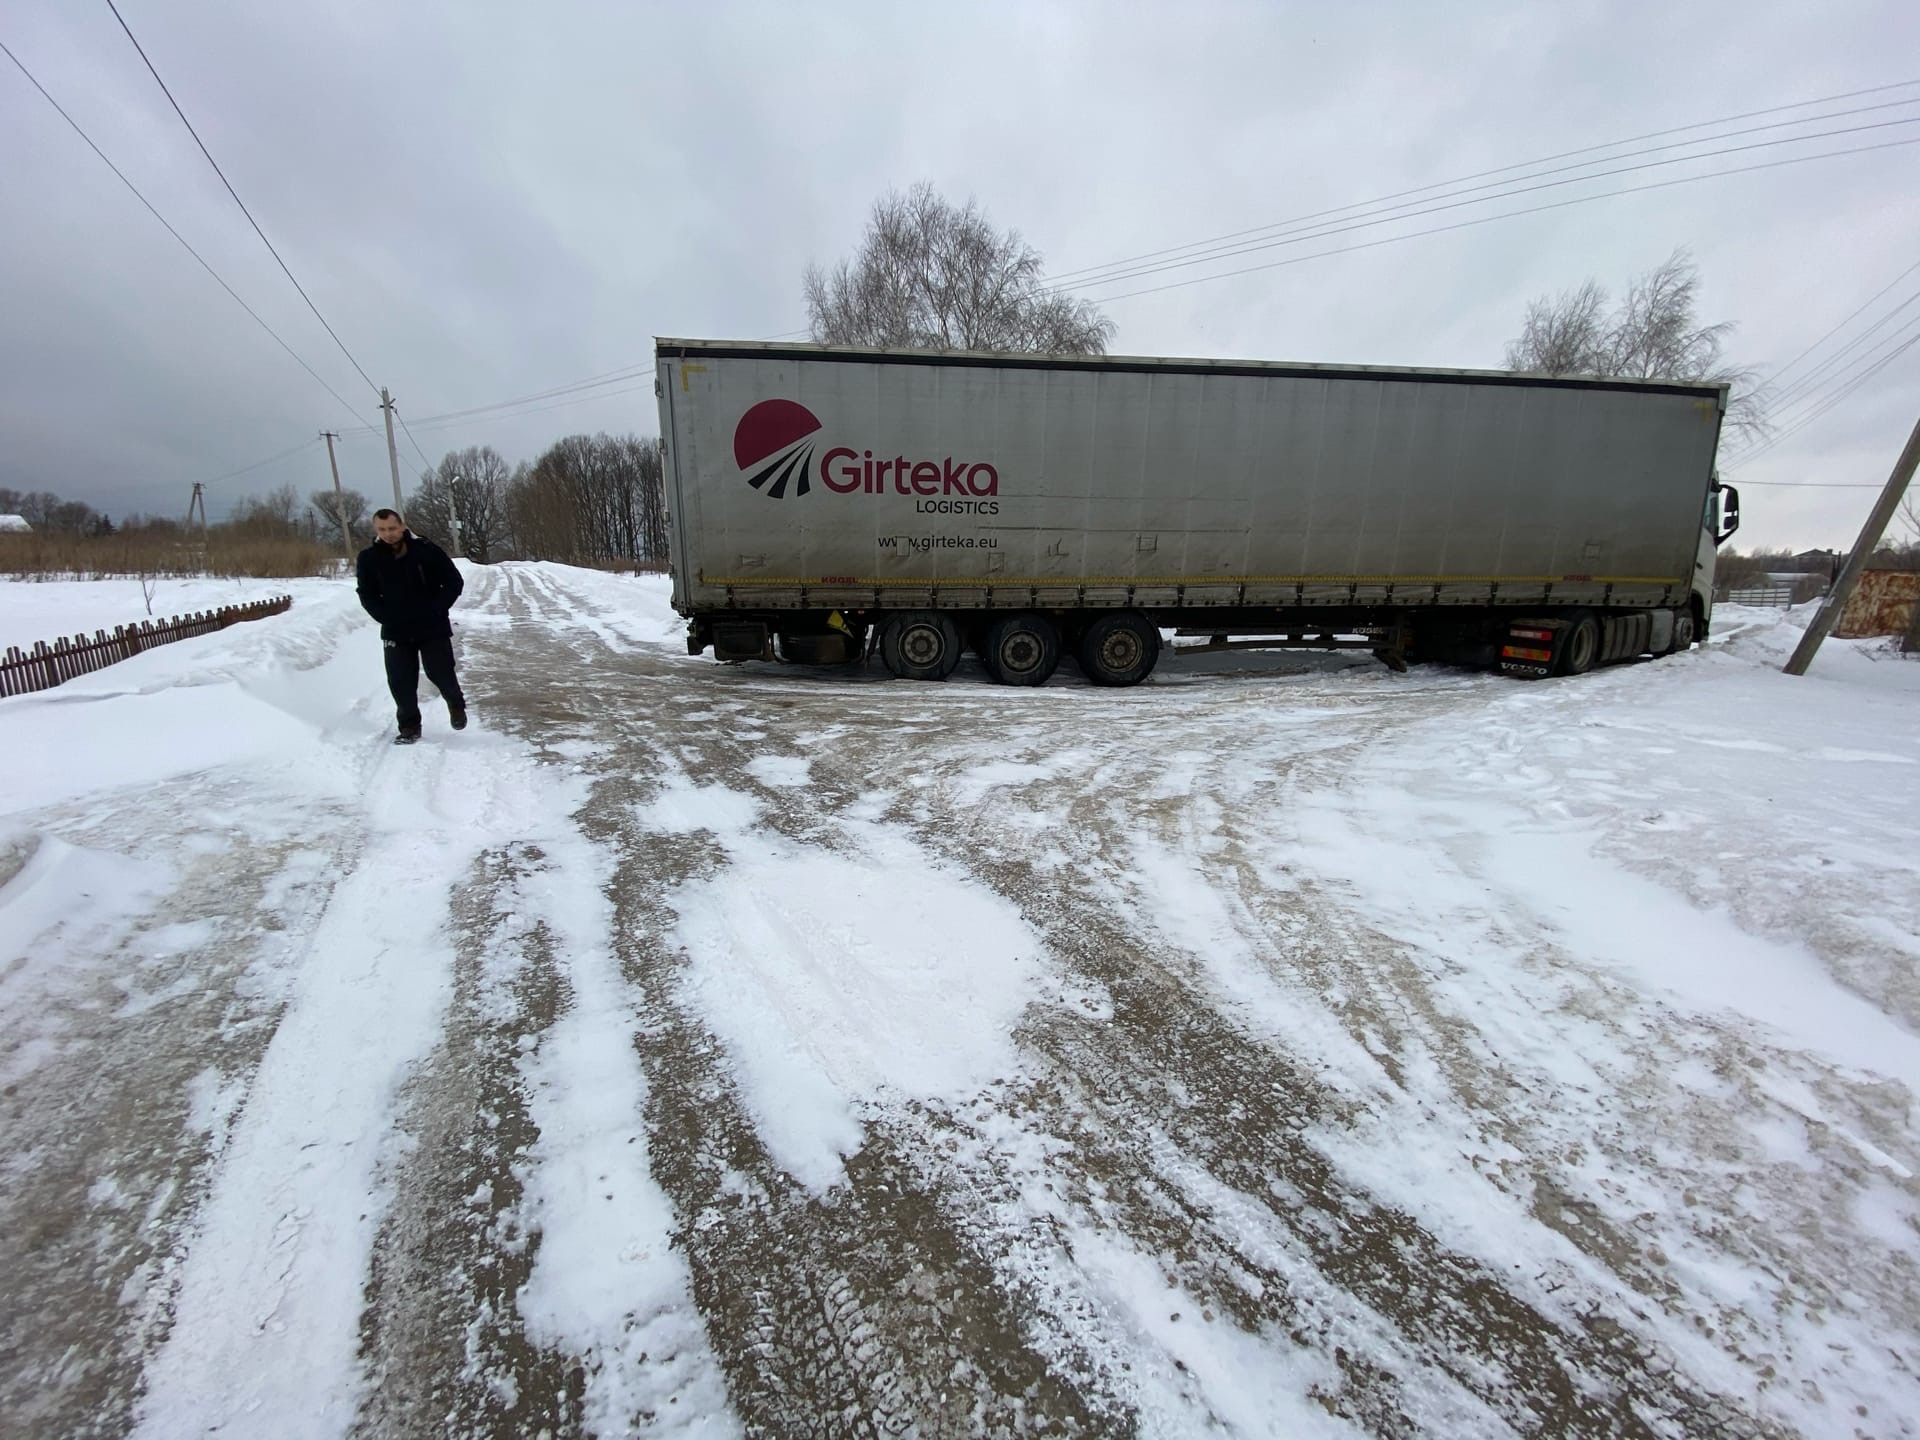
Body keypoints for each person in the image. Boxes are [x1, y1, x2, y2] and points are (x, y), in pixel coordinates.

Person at [355, 508, 468, 743]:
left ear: (403, 526)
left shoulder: (426, 551)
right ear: (376, 530)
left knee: (440, 672)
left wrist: (438, 608)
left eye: (392, 528)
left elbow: (453, 582)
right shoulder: (368, 558)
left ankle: (455, 705)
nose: (388, 534)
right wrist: (383, 615)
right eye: (382, 529)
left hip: (431, 626)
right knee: (400, 681)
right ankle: (409, 727)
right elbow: (366, 593)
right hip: (396, 629)